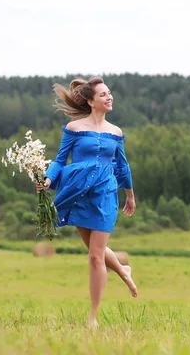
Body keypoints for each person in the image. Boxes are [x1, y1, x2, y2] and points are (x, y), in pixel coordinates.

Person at [35, 75, 137, 328]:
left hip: (105, 193)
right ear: (91, 101)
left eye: (110, 93)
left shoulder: (116, 132)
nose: (109, 97)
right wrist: (48, 180)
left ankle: (92, 316)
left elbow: (122, 166)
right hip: (78, 192)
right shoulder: (74, 129)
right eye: (103, 94)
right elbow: (60, 160)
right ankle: (124, 271)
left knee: (95, 255)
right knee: (94, 251)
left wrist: (130, 195)